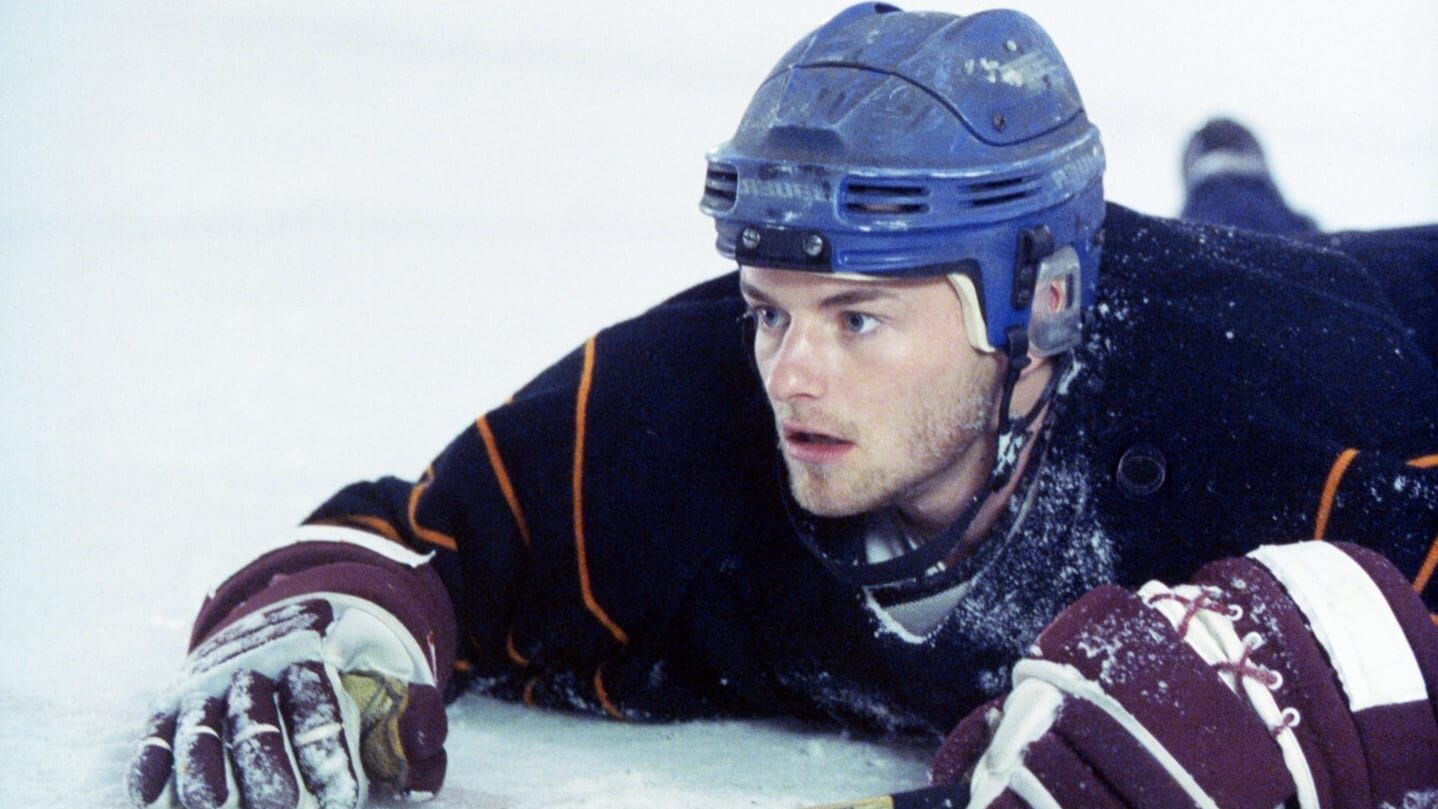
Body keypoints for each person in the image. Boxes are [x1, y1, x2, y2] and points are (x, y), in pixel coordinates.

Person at [127, 5, 1438, 808]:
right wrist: (331, 617)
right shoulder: (683, 405)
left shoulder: (1269, 406)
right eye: (770, 309)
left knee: (1259, 243)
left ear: (1041, 307)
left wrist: (1305, 696)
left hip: (1384, 300)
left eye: (859, 319)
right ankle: (1233, 181)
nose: (790, 374)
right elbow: (426, 538)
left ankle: (1235, 186)